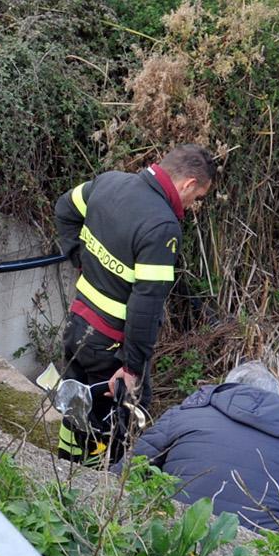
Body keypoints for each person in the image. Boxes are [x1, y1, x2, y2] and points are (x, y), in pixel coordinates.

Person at [52, 144, 215, 465]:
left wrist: (80, 258)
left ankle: (61, 469)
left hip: (78, 327)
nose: (192, 205)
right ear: (189, 184)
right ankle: (98, 491)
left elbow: (64, 209)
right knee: (114, 426)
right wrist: (131, 369)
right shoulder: (162, 227)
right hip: (111, 348)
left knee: (75, 404)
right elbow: (145, 309)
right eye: (196, 198)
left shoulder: (109, 182)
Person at [128, 362, 279, 556]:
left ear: (227, 387)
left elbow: (125, 476)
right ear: (277, 397)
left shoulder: (185, 415)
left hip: (170, 552)